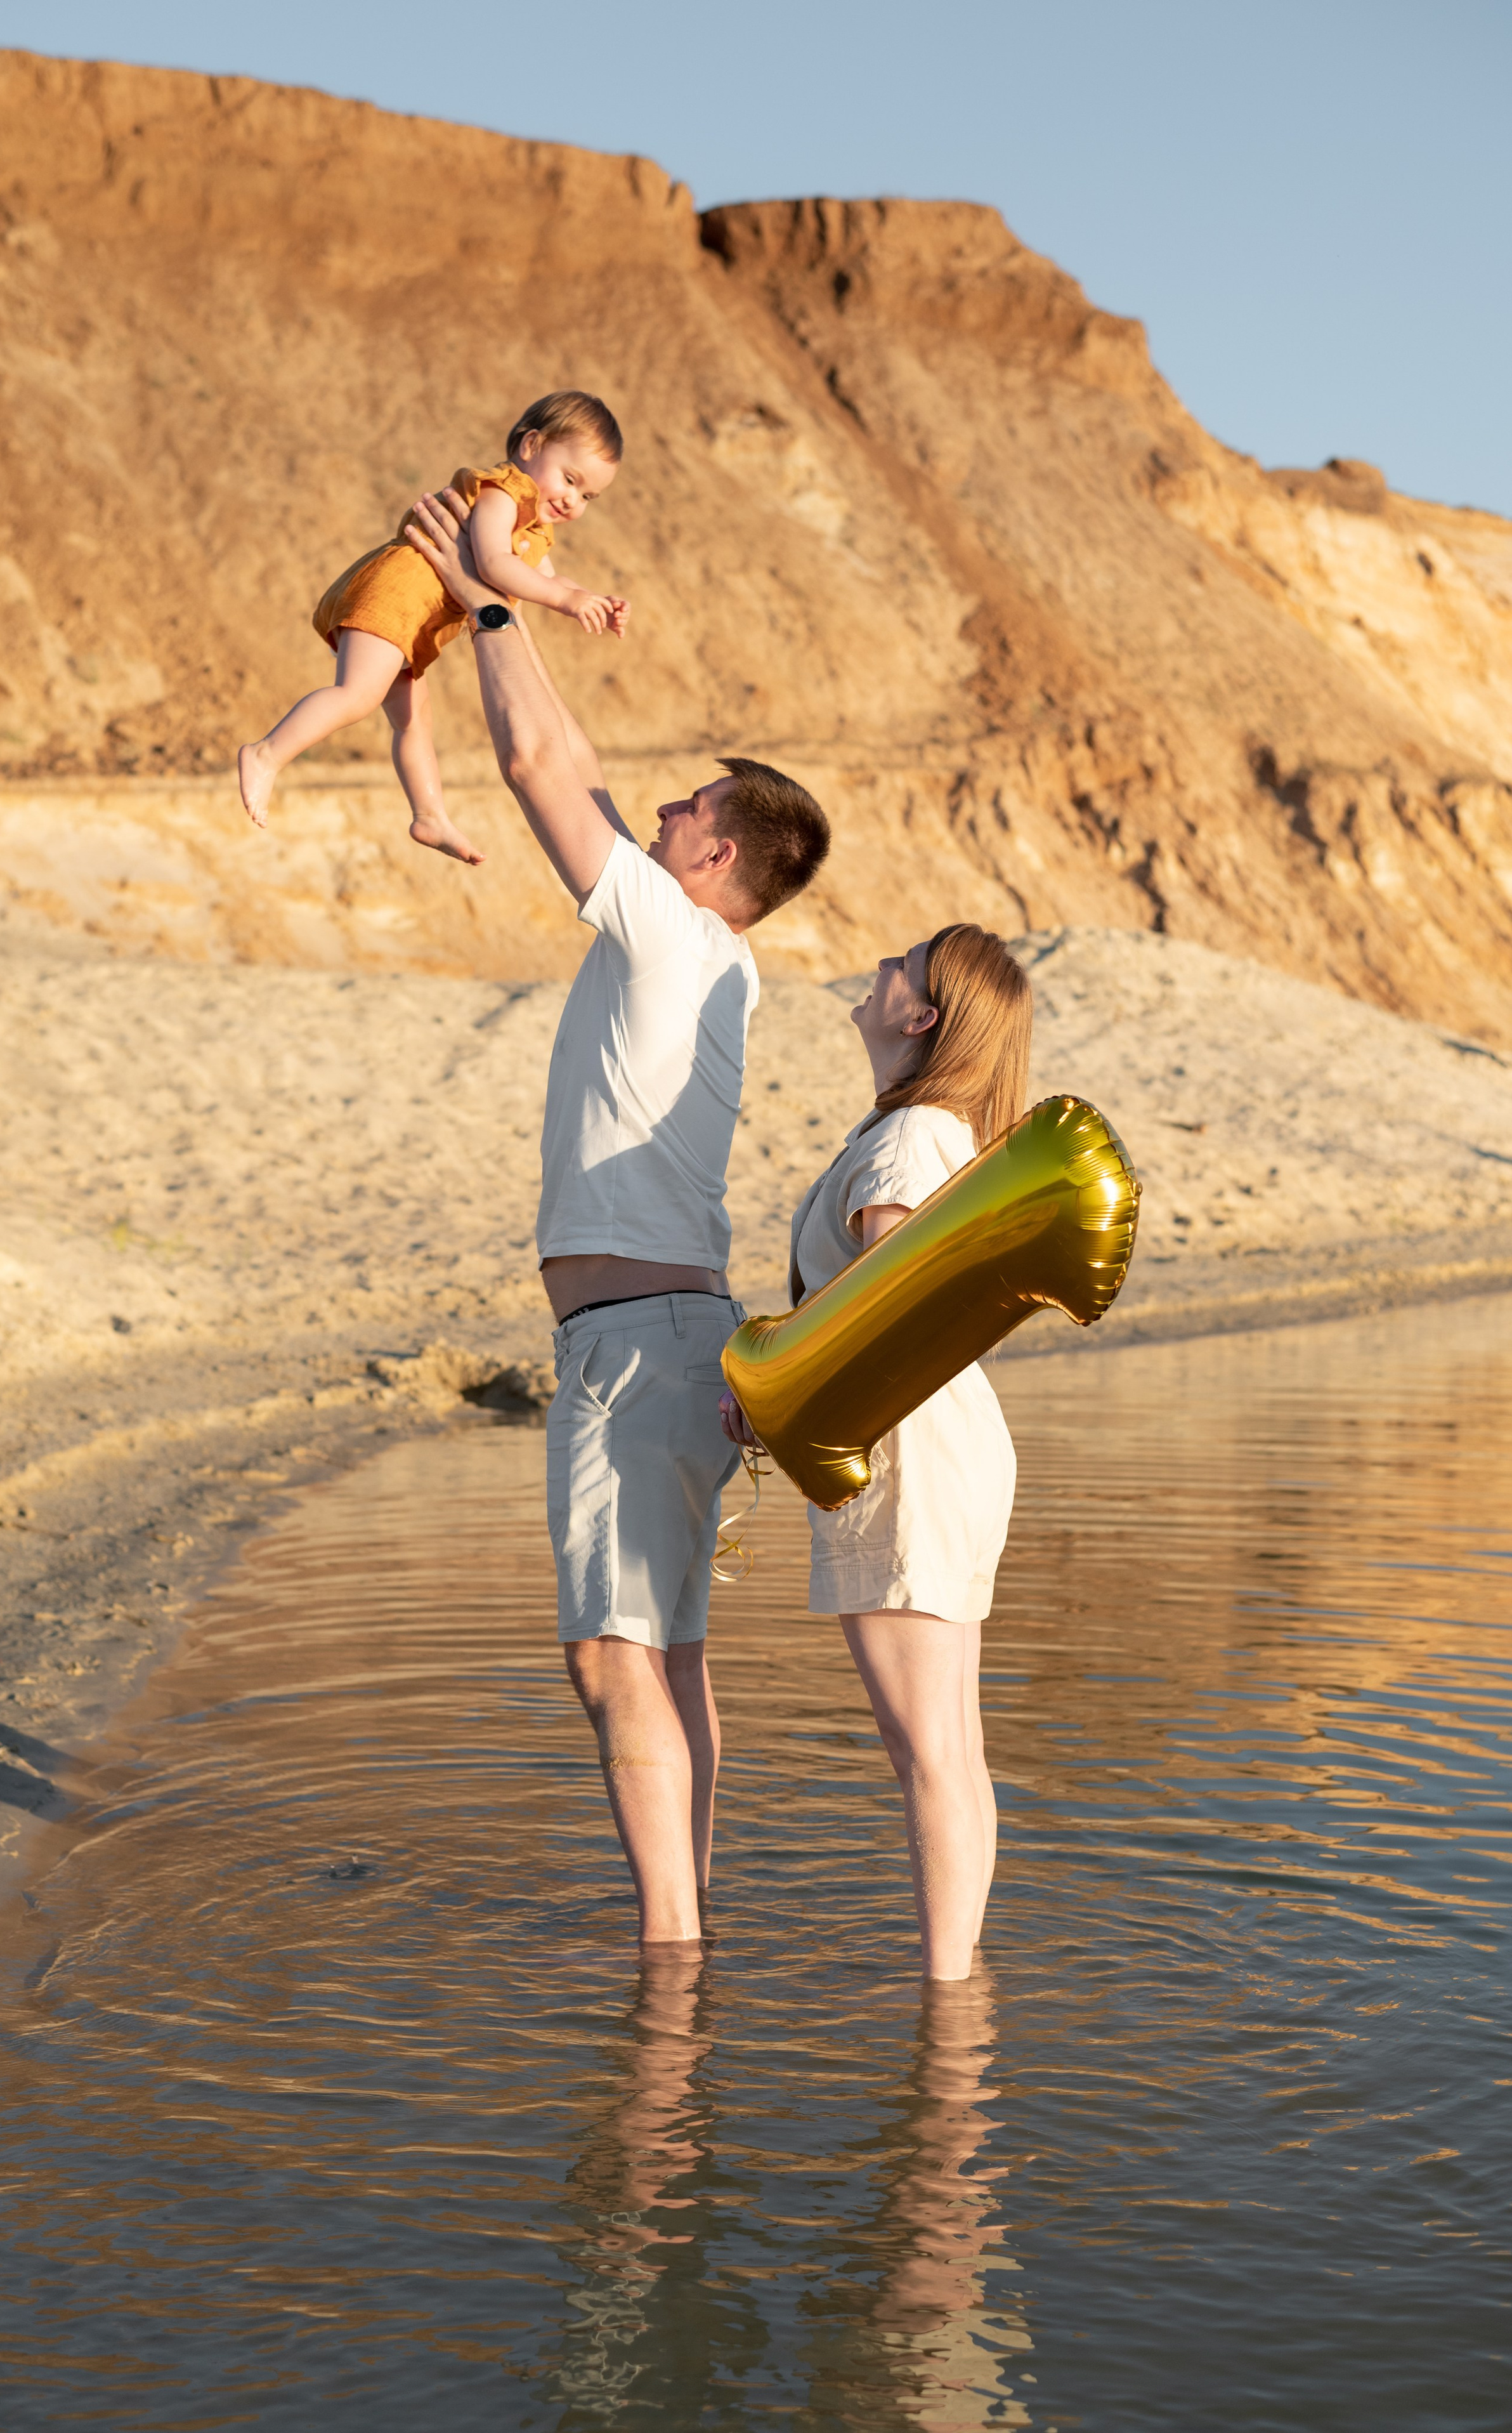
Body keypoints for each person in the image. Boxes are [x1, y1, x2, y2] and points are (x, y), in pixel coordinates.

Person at [406, 480, 830, 1947]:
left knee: (609, 1657)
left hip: (635, 1346)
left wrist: (483, 592)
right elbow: (574, 766)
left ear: (715, 855)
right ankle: (686, 1917)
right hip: (673, 1337)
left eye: (685, 807)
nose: (658, 810)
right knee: (670, 1655)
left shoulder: (672, 930)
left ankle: (667, 1955)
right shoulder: (725, 964)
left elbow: (540, 757)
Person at [723, 928, 1032, 1979]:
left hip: (909, 1462)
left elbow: (890, 1323)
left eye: (902, 964)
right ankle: (963, 1988)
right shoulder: (934, 1136)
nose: (881, 969)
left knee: (930, 1755)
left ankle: (948, 2017)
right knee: (950, 1749)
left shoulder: (906, 1147)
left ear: (922, 1016)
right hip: (937, 1451)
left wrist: (774, 1393)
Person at [237, 390, 630, 858]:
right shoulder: (504, 493)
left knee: (413, 722)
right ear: (530, 446)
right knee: (357, 695)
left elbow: (542, 575)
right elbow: (491, 563)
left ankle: (429, 816)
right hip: (395, 597)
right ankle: (266, 753)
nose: (573, 500)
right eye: (569, 479)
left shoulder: (532, 530)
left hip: (414, 621)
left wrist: (592, 600)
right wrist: (564, 599)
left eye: (588, 496)